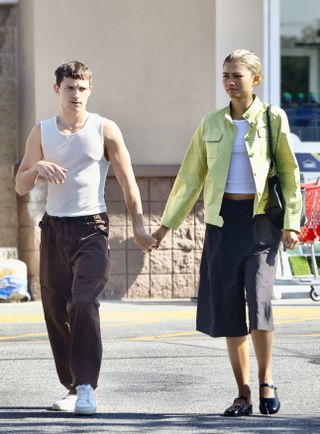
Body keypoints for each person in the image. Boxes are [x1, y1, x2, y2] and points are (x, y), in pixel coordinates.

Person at [153, 49, 302, 416]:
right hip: (222, 224)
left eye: (237, 75)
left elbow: (289, 172)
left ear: (256, 79)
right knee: (230, 308)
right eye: (225, 76)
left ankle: (266, 381)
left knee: (260, 300)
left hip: (261, 223)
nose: (230, 82)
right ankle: (243, 392)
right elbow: (190, 178)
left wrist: (291, 223)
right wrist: (165, 226)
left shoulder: (272, 119)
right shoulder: (211, 123)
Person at [15, 60, 156, 415]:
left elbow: (127, 181)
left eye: (81, 88)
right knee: (55, 309)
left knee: (83, 303)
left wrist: (139, 226)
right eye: (69, 87)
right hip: (53, 229)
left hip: (92, 227)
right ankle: (73, 386)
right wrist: (36, 169)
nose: (75, 94)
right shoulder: (41, 131)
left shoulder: (104, 129)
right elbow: (20, 185)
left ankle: (87, 386)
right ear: (57, 90)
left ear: (90, 90)